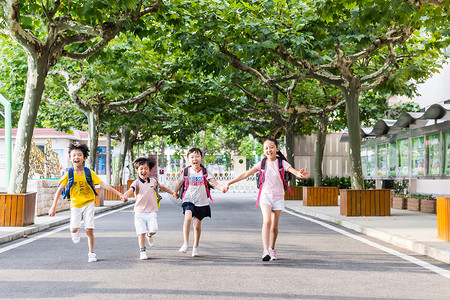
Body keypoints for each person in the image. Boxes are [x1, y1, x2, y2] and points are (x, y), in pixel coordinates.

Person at [224, 138, 309, 261]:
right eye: (266, 148)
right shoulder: (262, 164)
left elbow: (294, 172)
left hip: (278, 198)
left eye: (272, 147)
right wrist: (229, 183)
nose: (269, 150)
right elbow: (245, 174)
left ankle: (272, 248)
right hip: (265, 197)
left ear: (277, 149)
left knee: (274, 227)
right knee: (267, 221)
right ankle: (265, 251)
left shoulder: (282, 163)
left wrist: (301, 175)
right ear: (264, 150)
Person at [49, 142, 126, 263]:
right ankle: (75, 232)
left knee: (89, 229)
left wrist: (120, 194)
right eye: (74, 155)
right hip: (75, 204)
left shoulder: (89, 173)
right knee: (73, 229)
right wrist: (53, 207)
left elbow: (103, 185)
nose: (76, 157)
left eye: (79, 155)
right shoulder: (68, 174)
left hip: (89, 203)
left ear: (84, 158)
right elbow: (59, 190)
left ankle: (91, 253)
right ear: (70, 158)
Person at [173, 148, 226, 257]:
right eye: (192, 157)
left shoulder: (205, 172)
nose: (194, 159)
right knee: (187, 218)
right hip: (188, 199)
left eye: (197, 156)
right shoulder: (186, 171)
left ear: (201, 158)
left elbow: (214, 183)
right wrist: (175, 192)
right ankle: (185, 243)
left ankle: (195, 246)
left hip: (201, 201)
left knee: (197, 226)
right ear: (188, 160)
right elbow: (180, 182)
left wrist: (222, 188)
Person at [122, 156, 176, 260]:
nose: (143, 171)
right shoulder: (136, 182)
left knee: (154, 229)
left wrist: (172, 193)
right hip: (139, 212)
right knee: (140, 232)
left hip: (151, 212)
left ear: (150, 170)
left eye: (146, 169)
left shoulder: (154, 181)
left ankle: (150, 235)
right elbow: (130, 190)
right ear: (137, 170)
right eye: (141, 169)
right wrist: (125, 196)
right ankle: (142, 251)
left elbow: (162, 187)